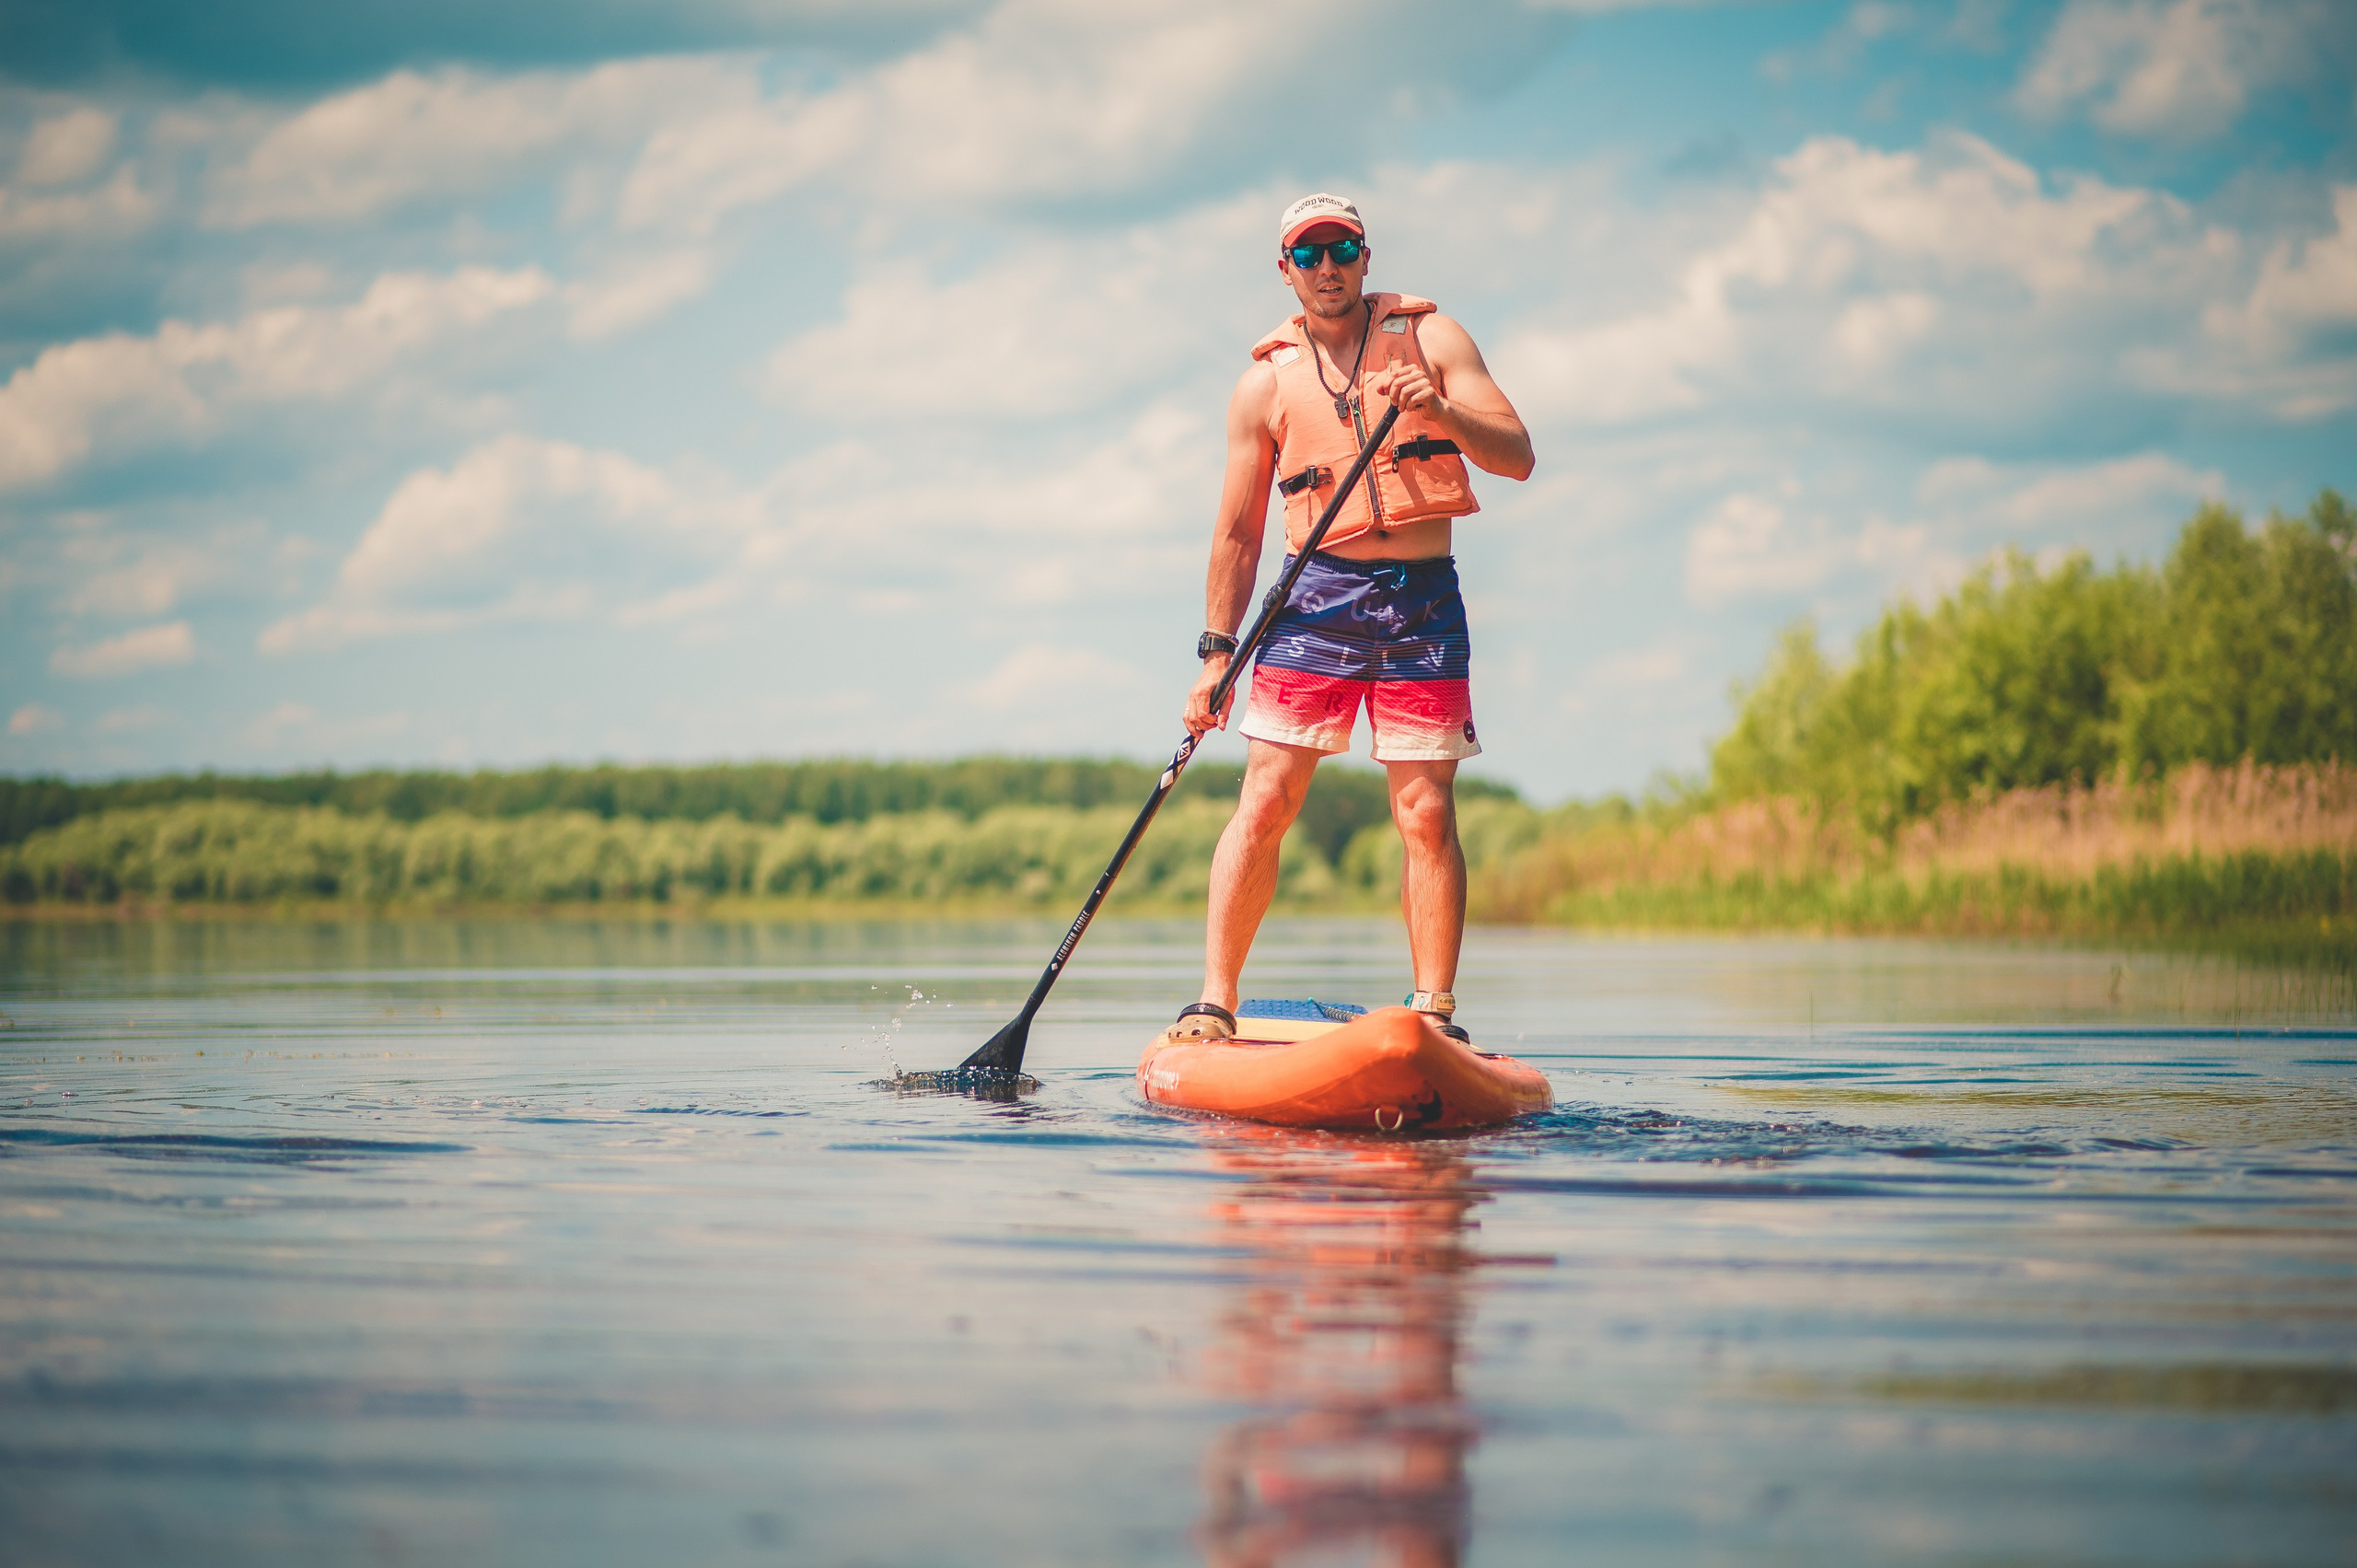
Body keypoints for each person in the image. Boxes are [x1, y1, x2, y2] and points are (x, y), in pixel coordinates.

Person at [1172, 193, 1533, 1046]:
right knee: (1267, 796)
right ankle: (1215, 1002)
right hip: (1316, 597)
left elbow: (1517, 456)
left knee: (1426, 812)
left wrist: (1440, 412)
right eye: (1309, 254)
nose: (1327, 267)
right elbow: (1237, 533)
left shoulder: (1435, 341)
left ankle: (1434, 1011)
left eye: (1341, 249)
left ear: (1366, 257)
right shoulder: (1263, 384)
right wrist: (1215, 656)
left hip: (1421, 600)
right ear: (1286, 269)